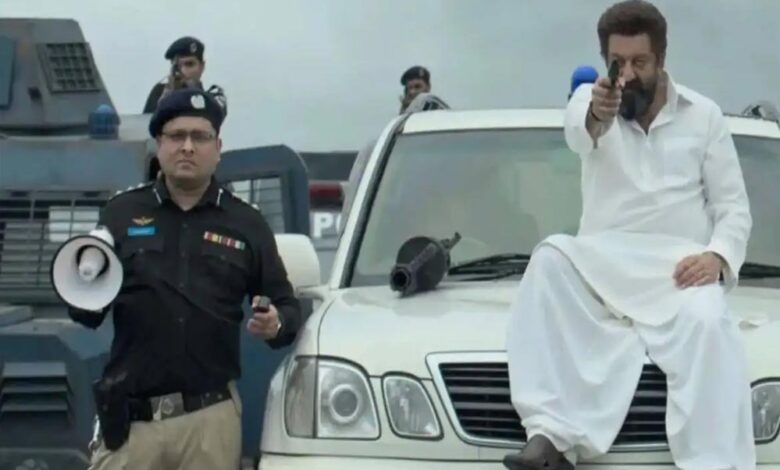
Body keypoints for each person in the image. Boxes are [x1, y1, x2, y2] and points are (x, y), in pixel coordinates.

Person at [503, 1, 754, 469]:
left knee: (708, 320)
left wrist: (717, 257)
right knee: (550, 258)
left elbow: (733, 208)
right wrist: (598, 112)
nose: (629, 73)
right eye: (618, 62)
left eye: (640, 62)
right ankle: (549, 438)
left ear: (661, 58)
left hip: (679, 275)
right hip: (602, 270)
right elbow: (581, 130)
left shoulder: (704, 115)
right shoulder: (591, 101)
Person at [72, 88, 300, 470]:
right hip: (131, 426)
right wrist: (82, 288)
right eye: (177, 136)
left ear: (218, 147)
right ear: (159, 145)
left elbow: (286, 305)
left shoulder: (247, 222)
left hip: (210, 423)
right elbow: (86, 313)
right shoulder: (121, 213)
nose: (188, 147)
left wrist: (276, 322)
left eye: (200, 137)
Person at [341, 66, 438, 233]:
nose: (413, 92)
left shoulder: (441, 126)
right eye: (409, 89)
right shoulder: (397, 134)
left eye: (417, 87)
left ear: (428, 88)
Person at [142, 36, 227, 116]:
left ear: (202, 66)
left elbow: (211, 116)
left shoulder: (214, 97)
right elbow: (146, 123)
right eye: (177, 66)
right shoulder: (159, 92)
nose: (183, 71)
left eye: (189, 64)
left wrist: (190, 91)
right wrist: (165, 100)